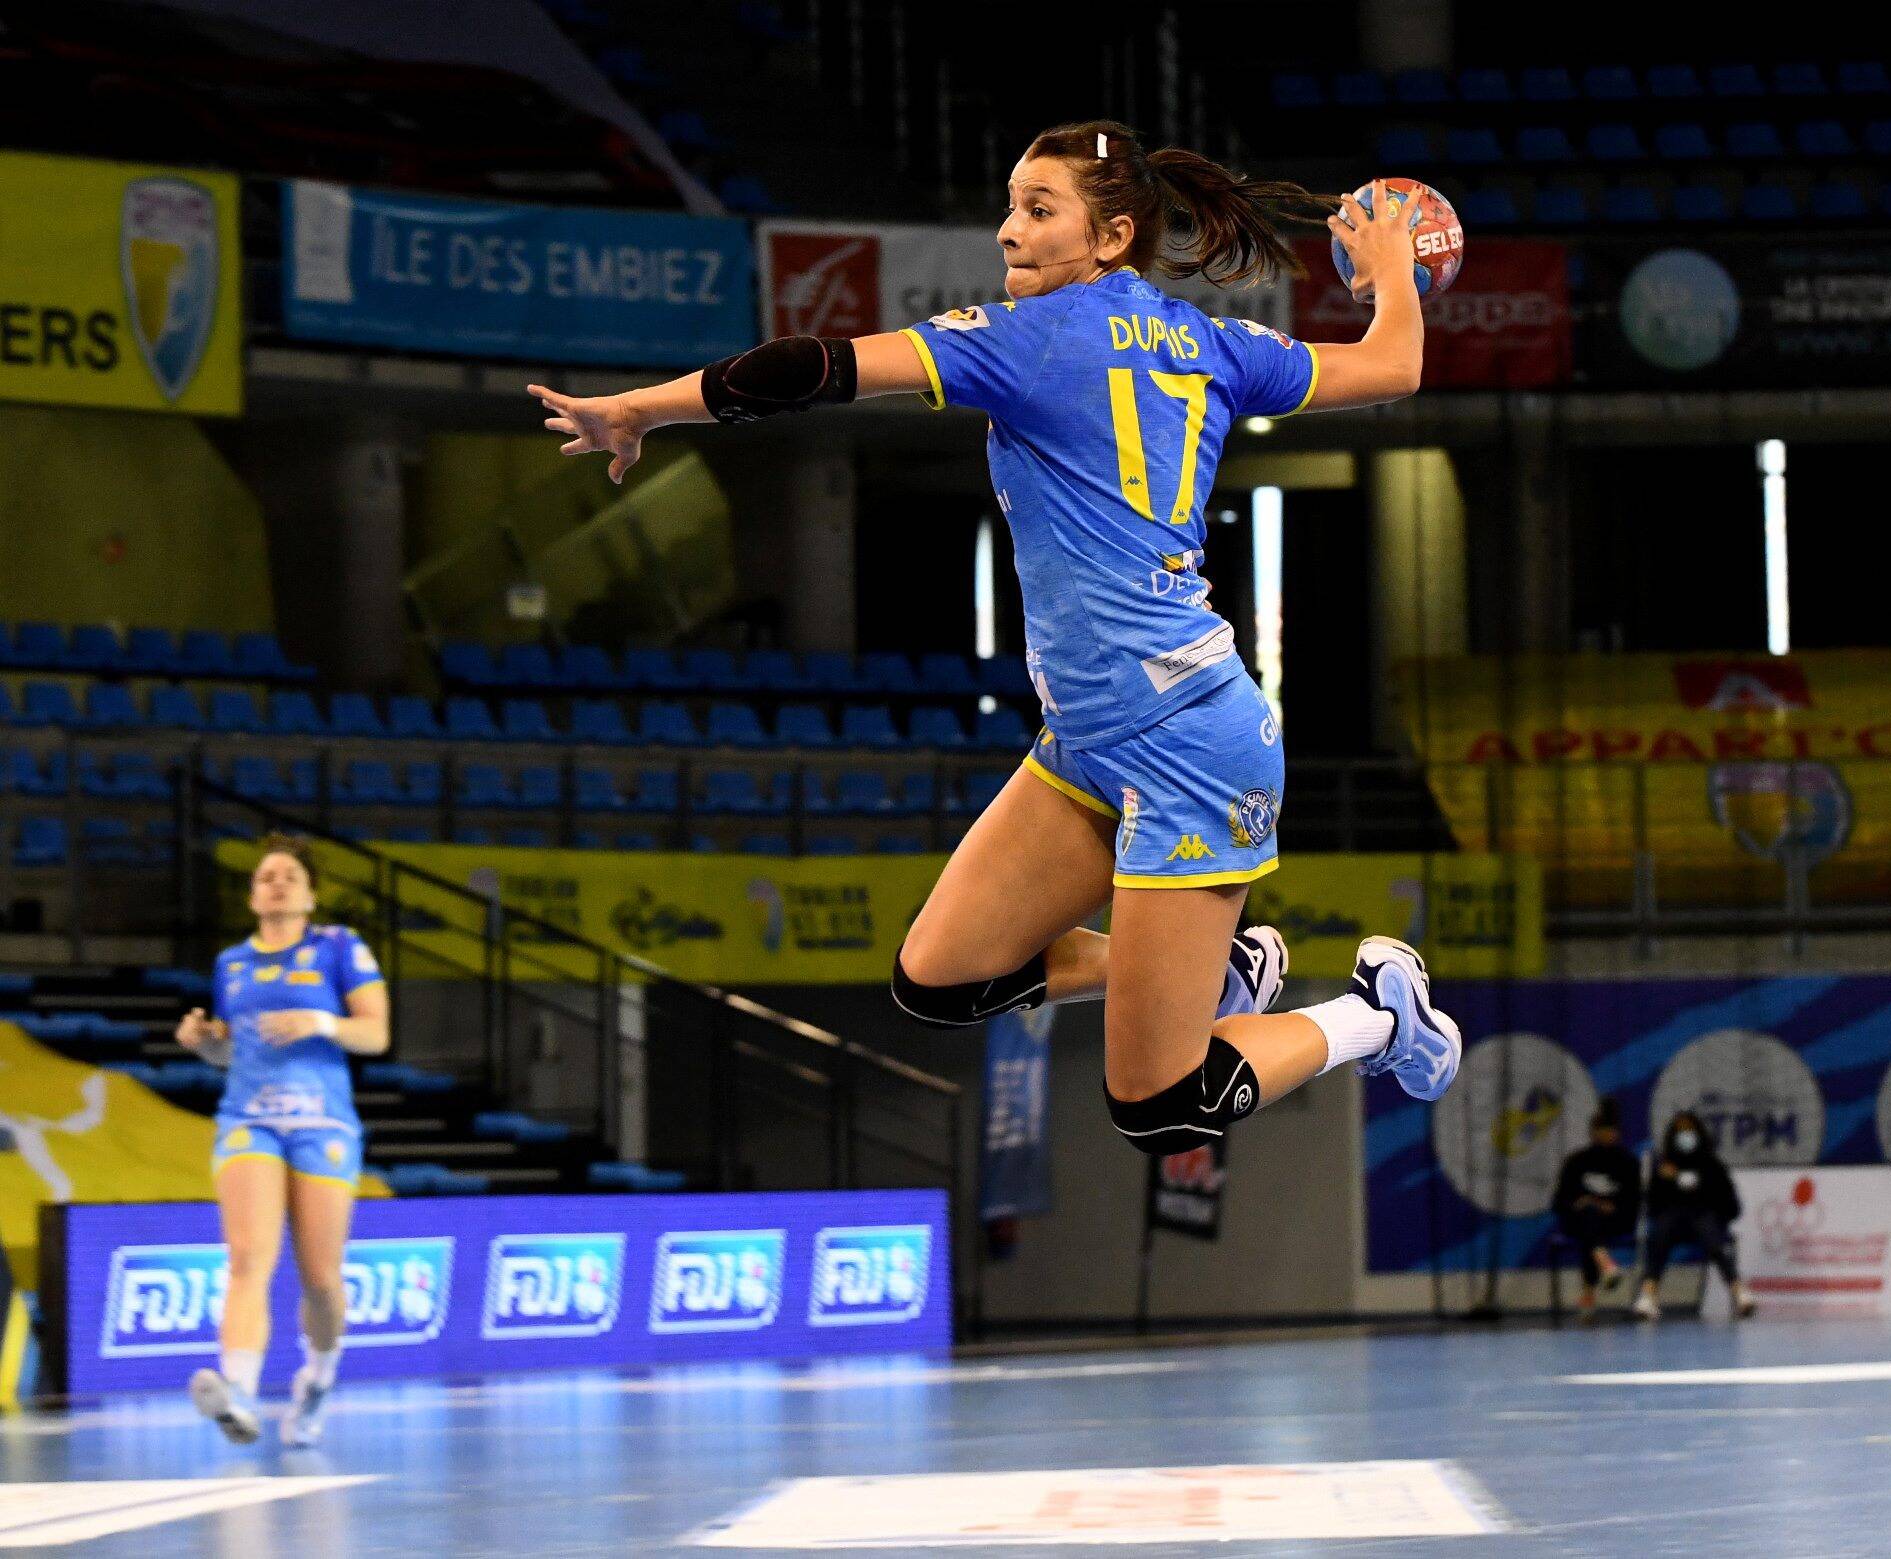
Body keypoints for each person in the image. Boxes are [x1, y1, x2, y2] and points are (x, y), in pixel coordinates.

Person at [529, 121, 1463, 1163]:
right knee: (941, 978)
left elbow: (811, 366)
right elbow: (1393, 363)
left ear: (1111, 235)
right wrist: (1391, 272)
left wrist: (641, 411)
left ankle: (1377, 1016)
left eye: (1038, 209)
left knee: (1161, 1104)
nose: (1009, 232)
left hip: (1188, 744)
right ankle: (1219, 963)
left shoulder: (1024, 342)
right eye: (1010, 204)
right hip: (1092, 737)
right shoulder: (1206, 339)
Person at [176, 836, 389, 1446]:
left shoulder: (339, 948)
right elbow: (229, 1051)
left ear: (310, 894)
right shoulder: (231, 965)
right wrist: (205, 1042)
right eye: (266, 876)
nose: (276, 883)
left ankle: (318, 1376)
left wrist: (318, 1021)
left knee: (320, 1280)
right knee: (248, 1260)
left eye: (289, 875)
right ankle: (238, 1393)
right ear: (252, 896)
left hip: (323, 1124)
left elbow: (376, 1035)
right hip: (249, 1119)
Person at [1634, 1111, 1755, 1321]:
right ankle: (1648, 1294)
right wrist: (1665, 1181)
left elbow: (1729, 1203)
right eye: (1680, 1131)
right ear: (1673, 1136)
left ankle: (1739, 1291)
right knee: (1659, 1233)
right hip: (1672, 1220)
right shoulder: (1664, 1165)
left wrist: (1687, 1182)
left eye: (1689, 1130)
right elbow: (1652, 1204)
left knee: (1713, 1239)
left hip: (1704, 1217)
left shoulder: (1712, 1164)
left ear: (1698, 1133)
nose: (1685, 1135)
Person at [1551, 1103, 1640, 1321]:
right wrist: (1580, 1203)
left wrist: (1611, 1206)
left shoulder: (1628, 1162)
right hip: (1579, 1219)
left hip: (1615, 1221)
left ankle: (1589, 1293)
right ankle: (1605, 1264)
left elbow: (1635, 1201)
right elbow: (1559, 1201)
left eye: (1610, 1130)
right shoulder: (1576, 1162)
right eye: (1601, 1130)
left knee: (1590, 1232)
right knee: (1588, 1219)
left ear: (1617, 1133)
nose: (1606, 1135)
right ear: (1593, 1132)